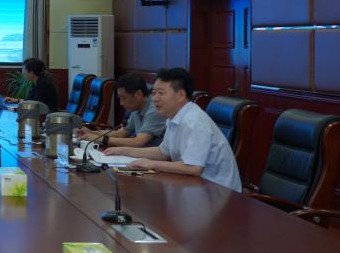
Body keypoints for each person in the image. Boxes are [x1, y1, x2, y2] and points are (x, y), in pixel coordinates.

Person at [104, 68, 241, 191]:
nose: (155, 99)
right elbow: (163, 152)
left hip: (219, 193)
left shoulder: (193, 121)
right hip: (194, 186)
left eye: (161, 93)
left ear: (180, 95)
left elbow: (193, 168)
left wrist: (151, 164)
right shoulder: (174, 117)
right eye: (154, 93)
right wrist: (123, 150)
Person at [79, 72, 166, 148]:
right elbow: (121, 133)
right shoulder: (136, 109)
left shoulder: (155, 109)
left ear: (138, 94)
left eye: (123, 98)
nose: (121, 103)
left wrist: (101, 139)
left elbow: (138, 142)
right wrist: (91, 133)